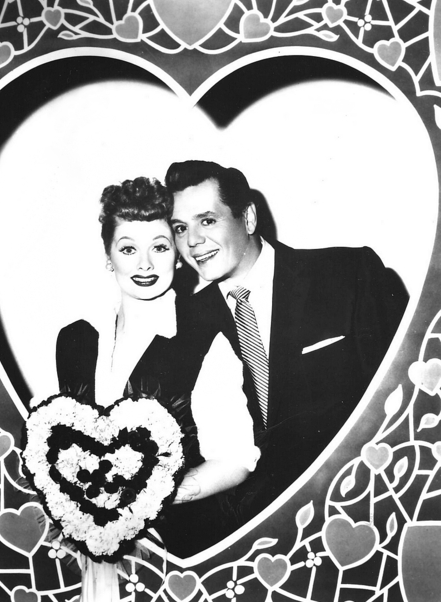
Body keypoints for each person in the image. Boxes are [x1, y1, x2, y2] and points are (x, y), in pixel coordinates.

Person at [165, 160, 409, 519]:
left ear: (248, 218)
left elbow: (409, 399)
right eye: (180, 228)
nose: (192, 241)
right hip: (250, 530)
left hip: (363, 504)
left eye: (207, 220)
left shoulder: (349, 275)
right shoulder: (180, 322)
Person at [55, 176, 259, 561]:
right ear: (108, 256)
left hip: (180, 550)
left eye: (160, 247)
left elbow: (235, 459)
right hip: (92, 546)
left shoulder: (205, 340)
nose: (145, 264)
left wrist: (153, 499)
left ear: (177, 256)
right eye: (128, 248)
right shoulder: (74, 340)